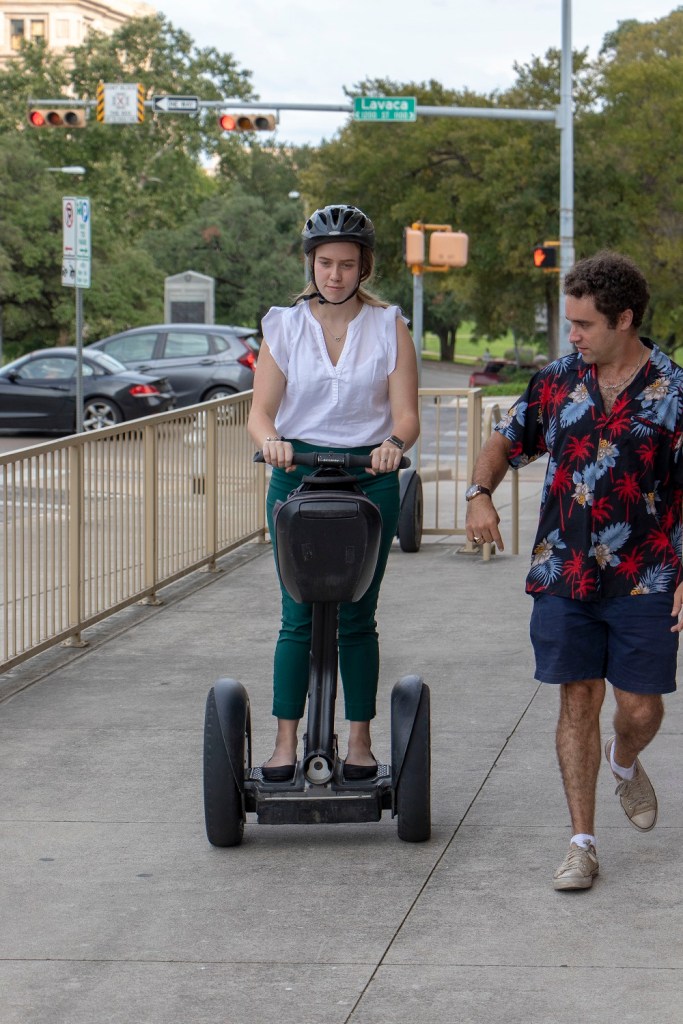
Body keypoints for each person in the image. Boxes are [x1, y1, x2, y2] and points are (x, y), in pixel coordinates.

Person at [465, 250, 683, 890]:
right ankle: (581, 844)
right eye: (570, 322)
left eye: (584, 324)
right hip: (563, 570)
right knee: (577, 699)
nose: (573, 335)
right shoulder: (557, 381)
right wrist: (479, 493)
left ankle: (625, 758)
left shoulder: (674, 393)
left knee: (640, 709)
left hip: (648, 573)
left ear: (625, 319)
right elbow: (507, 438)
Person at [248, 203, 420, 782]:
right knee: (296, 615)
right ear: (311, 264)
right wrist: (272, 441)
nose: (335, 275)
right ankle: (284, 743)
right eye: (325, 263)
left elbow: (407, 415)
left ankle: (361, 743)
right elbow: (260, 413)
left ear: (363, 266)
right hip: (296, 477)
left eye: (347, 264)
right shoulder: (284, 326)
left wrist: (393, 443)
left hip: (369, 477)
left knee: (357, 617)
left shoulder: (389, 325)